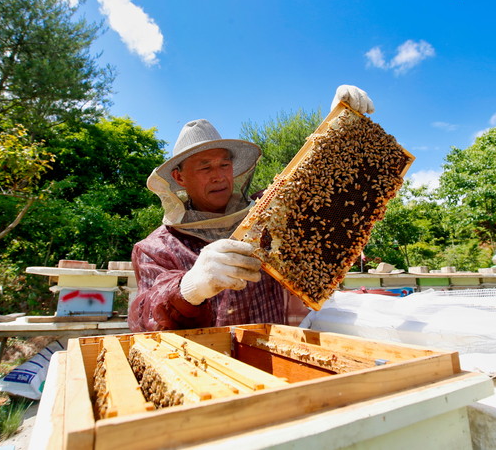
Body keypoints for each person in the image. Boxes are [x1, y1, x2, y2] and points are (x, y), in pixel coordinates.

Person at [128, 85, 375, 331]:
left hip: (279, 355)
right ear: (179, 178)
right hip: (206, 365)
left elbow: (325, 196)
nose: (219, 176)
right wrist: (189, 287)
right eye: (205, 168)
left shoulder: (267, 212)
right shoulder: (155, 249)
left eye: (224, 165)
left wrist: (340, 130)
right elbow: (144, 320)